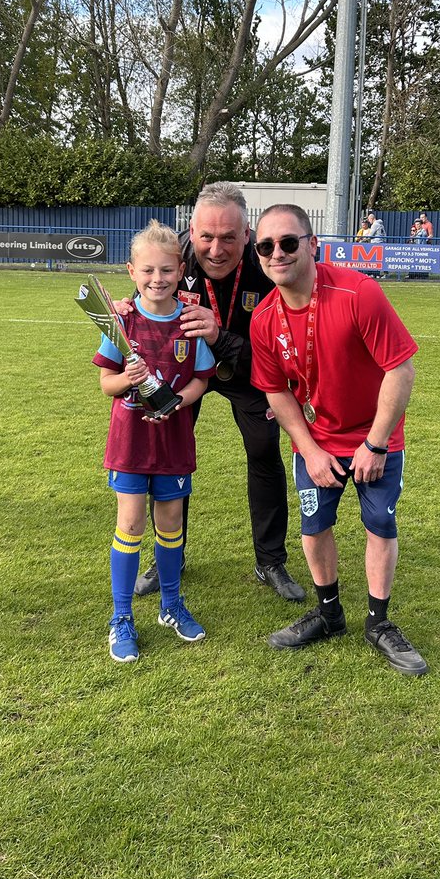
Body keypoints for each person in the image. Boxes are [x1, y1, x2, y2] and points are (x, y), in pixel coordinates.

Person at [249, 204, 428, 676]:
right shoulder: (264, 318)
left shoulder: (358, 292)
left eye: (288, 242)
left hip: (375, 437)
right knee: (314, 526)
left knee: (380, 526)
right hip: (317, 441)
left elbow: (400, 368)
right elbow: (274, 389)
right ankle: (329, 614)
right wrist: (309, 449)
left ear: (312, 244)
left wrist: (375, 444)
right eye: (266, 246)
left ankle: (379, 622)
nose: (277, 254)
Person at [131, 183, 306, 604]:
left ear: (246, 235)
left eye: (229, 237)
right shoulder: (175, 261)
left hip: (248, 369)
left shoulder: (268, 265)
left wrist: (219, 335)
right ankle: (169, 554)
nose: (215, 249)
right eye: (206, 236)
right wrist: (128, 307)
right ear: (190, 231)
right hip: (185, 370)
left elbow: (276, 353)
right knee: (168, 456)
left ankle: (270, 560)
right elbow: (147, 295)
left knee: (264, 451)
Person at [92, 220, 216, 664]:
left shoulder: (189, 321)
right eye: (147, 271)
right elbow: (106, 383)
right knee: (130, 525)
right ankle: (121, 617)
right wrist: (127, 377)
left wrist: (178, 402)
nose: (156, 279)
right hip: (130, 442)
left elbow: (202, 378)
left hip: (173, 442)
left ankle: (170, 605)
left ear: (179, 269)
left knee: (170, 524)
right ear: (131, 271)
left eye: (165, 270)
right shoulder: (120, 321)